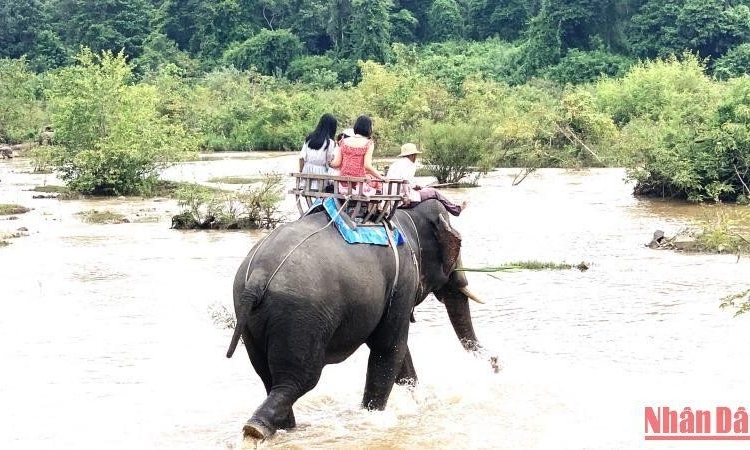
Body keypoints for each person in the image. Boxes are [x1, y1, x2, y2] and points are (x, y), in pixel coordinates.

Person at [386, 142, 466, 216]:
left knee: (425, 191)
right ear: (412, 155)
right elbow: (405, 181)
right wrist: (407, 197)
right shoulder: (410, 164)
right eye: (415, 155)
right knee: (433, 192)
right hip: (402, 200)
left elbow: (404, 181)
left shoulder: (395, 164)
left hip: (391, 199)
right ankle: (456, 210)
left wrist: (415, 186)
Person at [330, 116, 383, 195]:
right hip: (359, 182)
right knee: (376, 185)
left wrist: (328, 163)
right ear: (369, 128)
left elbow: (337, 163)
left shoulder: (343, 141)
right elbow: (367, 166)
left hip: (343, 181)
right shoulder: (369, 143)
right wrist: (381, 177)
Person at [299, 113, 338, 191]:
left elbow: (301, 157)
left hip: (307, 171)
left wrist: (301, 171)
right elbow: (329, 161)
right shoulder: (330, 142)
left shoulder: (309, 138)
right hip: (321, 173)